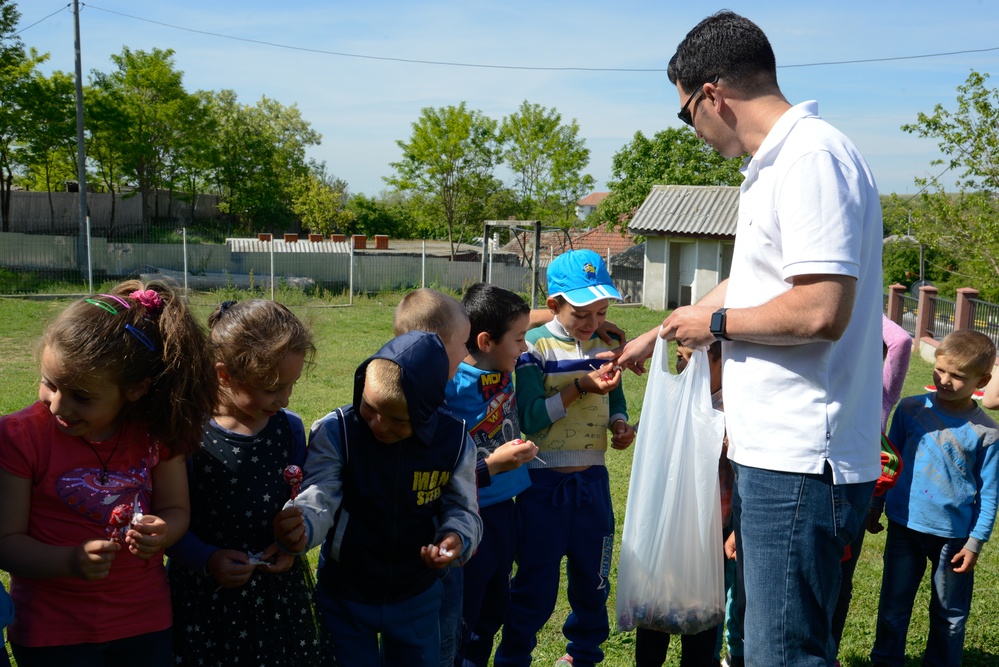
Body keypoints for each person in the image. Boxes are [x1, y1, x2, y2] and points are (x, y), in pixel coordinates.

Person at [613, 12, 884, 666]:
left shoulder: (810, 158)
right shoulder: (777, 165)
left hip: (799, 459)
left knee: (779, 653)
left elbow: (820, 309)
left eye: (685, 114)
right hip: (774, 454)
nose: (693, 131)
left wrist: (708, 326)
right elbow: (750, 284)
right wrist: (663, 329)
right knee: (764, 645)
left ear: (711, 94)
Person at [0, 280, 217, 667]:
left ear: (135, 390)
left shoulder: (155, 433)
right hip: (52, 630)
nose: (57, 406)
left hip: (143, 623)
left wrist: (163, 530)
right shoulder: (21, 437)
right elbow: (6, 541)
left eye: (82, 396)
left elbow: (176, 510)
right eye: (50, 384)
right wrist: (70, 562)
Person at [273, 330, 483, 667]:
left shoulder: (455, 441)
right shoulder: (337, 430)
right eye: (369, 408)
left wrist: (456, 537)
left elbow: (463, 508)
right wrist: (303, 523)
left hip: (416, 594)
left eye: (398, 420)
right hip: (346, 594)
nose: (378, 425)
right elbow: (321, 492)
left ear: (427, 413)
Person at [495, 249, 636, 667]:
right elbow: (533, 421)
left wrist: (619, 424)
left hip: (592, 485)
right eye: (583, 314)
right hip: (543, 486)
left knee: (593, 581)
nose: (593, 323)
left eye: (601, 311)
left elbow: (617, 397)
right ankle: (515, 656)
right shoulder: (532, 347)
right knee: (535, 583)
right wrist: (578, 387)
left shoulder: (606, 343)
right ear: (554, 304)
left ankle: (583, 655)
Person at [166, 299, 324, 665]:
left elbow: (300, 502)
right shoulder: (190, 435)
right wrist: (207, 560)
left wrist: (292, 544)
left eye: (292, 385)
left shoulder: (289, 429)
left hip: (278, 599)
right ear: (224, 375)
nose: (284, 399)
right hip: (206, 602)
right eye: (272, 388)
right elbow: (170, 519)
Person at [869, 330, 999, 667]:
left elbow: (989, 493)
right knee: (893, 610)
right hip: (904, 528)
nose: (944, 380)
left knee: (950, 616)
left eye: (958, 375)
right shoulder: (910, 409)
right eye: (940, 370)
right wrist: (875, 505)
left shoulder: (987, 433)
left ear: (982, 380)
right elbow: (888, 464)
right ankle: (885, 661)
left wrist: (974, 543)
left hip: (954, 538)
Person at [447, 283, 539, 667]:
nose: (524, 347)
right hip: (471, 515)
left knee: (495, 608)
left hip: (506, 510)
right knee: (466, 616)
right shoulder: (449, 385)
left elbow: (524, 324)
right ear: (485, 341)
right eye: (519, 340)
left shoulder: (502, 362)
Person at [636, 341, 735, 667]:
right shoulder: (674, 399)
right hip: (668, 531)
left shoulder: (735, 408)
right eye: (679, 360)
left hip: (713, 533)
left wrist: (729, 444)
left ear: (721, 363)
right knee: (656, 612)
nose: (683, 370)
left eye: (692, 363)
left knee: (702, 616)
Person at [831, 314, 913, 659]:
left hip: (856, 497)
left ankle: (827, 653)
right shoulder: (827, 379)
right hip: (816, 488)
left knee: (841, 582)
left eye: (870, 350)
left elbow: (902, 341)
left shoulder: (881, 390)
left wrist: (860, 297)